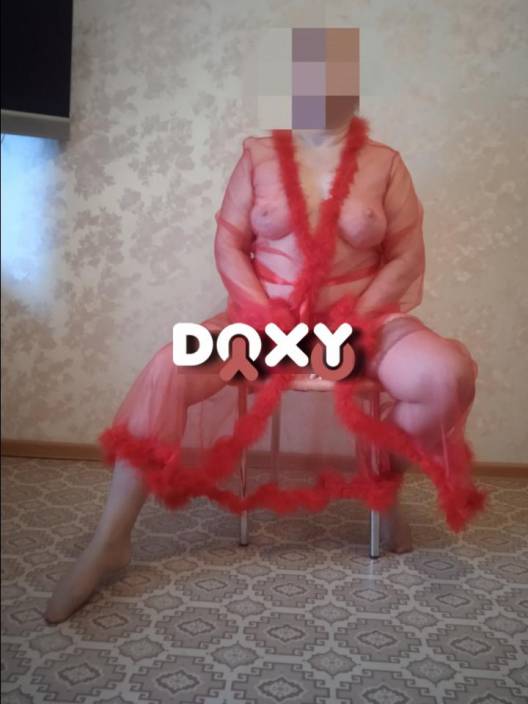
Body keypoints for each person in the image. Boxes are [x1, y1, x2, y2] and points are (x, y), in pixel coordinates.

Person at [45, 108, 481, 624]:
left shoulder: (385, 163)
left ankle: (382, 482)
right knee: (169, 366)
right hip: (265, 326)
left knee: (444, 376)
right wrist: (265, 316)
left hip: (363, 323)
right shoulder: (257, 156)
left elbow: (405, 257)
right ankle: (110, 541)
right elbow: (229, 244)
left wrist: (354, 319)